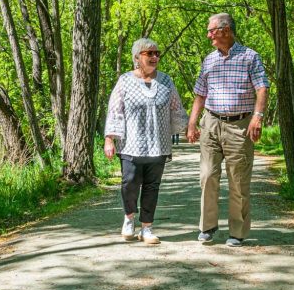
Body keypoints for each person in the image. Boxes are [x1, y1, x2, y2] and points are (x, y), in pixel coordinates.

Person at [186, 13, 268, 247]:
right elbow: (200, 94)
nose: (209, 34)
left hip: (239, 126)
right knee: (208, 175)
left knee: (238, 179)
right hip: (211, 123)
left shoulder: (250, 57)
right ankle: (207, 227)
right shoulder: (209, 60)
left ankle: (238, 232)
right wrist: (193, 122)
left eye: (212, 30)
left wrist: (257, 117)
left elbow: (262, 88)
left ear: (226, 30)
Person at [104, 38, 188, 245]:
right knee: (129, 183)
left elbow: (176, 109)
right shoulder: (124, 81)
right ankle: (129, 219)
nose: (154, 57)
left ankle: (147, 228)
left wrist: (191, 128)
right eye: (149, 53)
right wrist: (109, 139)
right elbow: (115, 111)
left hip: (158, 145)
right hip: (131, 144)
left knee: (152, 187)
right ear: (136, 57)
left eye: (157, 53)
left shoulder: (166, 81)